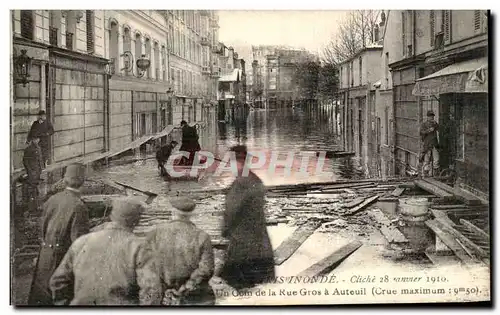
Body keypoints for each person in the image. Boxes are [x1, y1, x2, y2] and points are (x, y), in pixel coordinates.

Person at [49, 197, 162, 305]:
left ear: (112, 216)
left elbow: (57, 281)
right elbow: (151, 290)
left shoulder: (82, 241)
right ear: (137, 220)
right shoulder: (139, 247)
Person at [28, 163, 90, 306]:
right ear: (83, 182)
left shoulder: (53, 199)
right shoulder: (79, 206)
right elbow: (79, 244)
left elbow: (42, 227)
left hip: (44, 257)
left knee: (42, 300)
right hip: (62, 261)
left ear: (65, 180)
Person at [219, 145, 275, 290]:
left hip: (243, 246)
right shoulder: (255, 180)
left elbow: (231, 212)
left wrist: (225, 230)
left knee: (236, 286)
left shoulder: (240, 184)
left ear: (237, 162)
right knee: (261, 287)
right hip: (261, 243)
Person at [145, 197, 215, 305]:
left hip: (162, 296)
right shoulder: (202, 236)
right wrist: (186, 287)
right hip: (193, 297)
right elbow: (206, 269)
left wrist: (163, 288)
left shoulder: (154, 234)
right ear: (192, 214)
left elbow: (146, 265)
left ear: (172, 212)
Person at [22, 136, 44, 211]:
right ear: (32, 140)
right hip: (32, 172)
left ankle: (36, 205)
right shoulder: (28, 149)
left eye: (38, 139)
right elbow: (25, 161)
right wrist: (29, 171)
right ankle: (31, 208)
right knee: (32, 189)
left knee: (35, 188)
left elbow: (40, 160)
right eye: (35, 139)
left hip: (37, 172)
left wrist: (41, 169)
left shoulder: (38, 148)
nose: (37, 140)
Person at [419, 110, 440, 176]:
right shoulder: (424, 124)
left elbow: (439, 129)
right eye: (430, 116)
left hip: (434, 144)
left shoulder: (435, 124)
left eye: (433, 116)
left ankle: (436, 175)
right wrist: (429, 130)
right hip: (427, 145)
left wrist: (436, 124)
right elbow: (421, 132)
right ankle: (426, 175)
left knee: (436, 160)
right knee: (426, 160)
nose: (432, 118)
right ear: (427, 117)